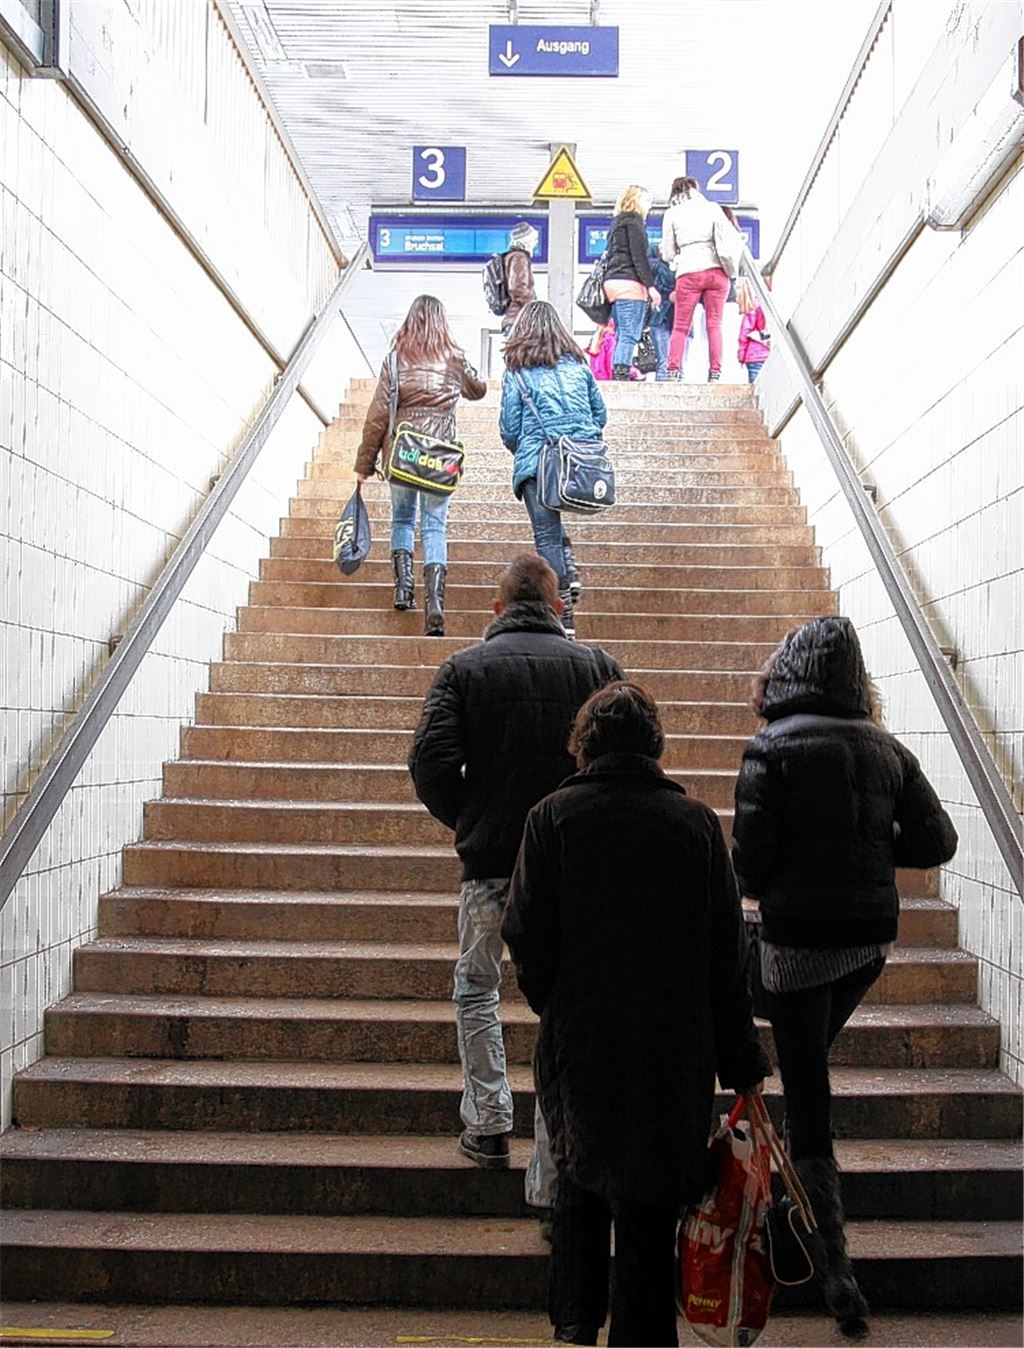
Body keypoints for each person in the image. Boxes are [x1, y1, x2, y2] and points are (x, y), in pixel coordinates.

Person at [503, 682, 769, 1347]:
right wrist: (742, 1064)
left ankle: (574, 1322)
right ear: (655, 746)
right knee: (650, 1216)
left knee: (578, 1180)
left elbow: (524, 933)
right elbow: (725, 961)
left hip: (580, 1042)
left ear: (583, 743)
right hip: (672, 1051)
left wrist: (558, 1003)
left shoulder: (552, 819)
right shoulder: (697, 826)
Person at [732, 616, 958, 1340]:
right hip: (865, 945)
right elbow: (938, 840)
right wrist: (865, 851)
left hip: (799, 947)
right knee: (805, 1072)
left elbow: (752, 868)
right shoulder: (885, 749)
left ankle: (835, 1273)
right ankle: (794, 1191)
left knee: (805, 1086)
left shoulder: (772, 747)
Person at [408, 554, 624, 1217]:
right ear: (559, 609)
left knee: (477, 987)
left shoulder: (465, 669)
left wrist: (474, 816)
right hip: (577, 869)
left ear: (496, 610)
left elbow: (431, 760)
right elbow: (627, 753)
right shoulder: (598, 669)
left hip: (492, 863)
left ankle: (488, 1121)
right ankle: (551, 1169)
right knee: (564, 1006)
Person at [355, 295, 486, 635]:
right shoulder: (454, 359)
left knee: (402, 519)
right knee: (434, 527)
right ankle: (435, 604)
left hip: (402, 451)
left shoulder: (395, 360)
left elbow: (378, 415)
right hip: (439, 457)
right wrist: (461, 363)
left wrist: (365, 462)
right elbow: (479, 389)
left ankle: (403, 589)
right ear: (443, 323)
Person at [499, 302, 606, 638]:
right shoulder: (578, 366)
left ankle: (565, 617)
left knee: (546, 536)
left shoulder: (516, 370)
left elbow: (509, 428)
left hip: (539, 459)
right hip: (581, 459)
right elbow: (599, 415)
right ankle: (570, 568)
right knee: (554, 530)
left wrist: (528, 451)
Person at [660, 176, 743, 382]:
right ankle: (715, 372)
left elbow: (668, 253)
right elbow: (728, 237)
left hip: (688, 272)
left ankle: (673, 371)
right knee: (714, 324)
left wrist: (679, 254)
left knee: (681, 326)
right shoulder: (713, 208)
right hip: (717, 271)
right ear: (697, 189)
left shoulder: (672, 213)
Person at [602, 185, 661, 379]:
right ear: (638, 201)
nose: (649, 207)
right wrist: (651, 287)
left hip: (612, 282)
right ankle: (620, 377)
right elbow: (638, 258)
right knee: (629, 335)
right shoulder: (634, 222)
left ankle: (618, 373)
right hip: (629, 283)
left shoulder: (616, 223)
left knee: (621, 334)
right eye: (647, 201)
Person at [646, 240, 677, 382]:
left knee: (665, 362)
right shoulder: (657, 266)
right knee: (669, 363)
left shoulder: (654, 265)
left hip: (662, 317)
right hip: (663, 317)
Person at [501, 221, 539, 334]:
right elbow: (517, 288)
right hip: (519, 320)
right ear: (526, 240)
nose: (535, 243)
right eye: (534, 240)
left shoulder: (512, 256)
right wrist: (534, 307)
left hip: (516, 319)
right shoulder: (519, 257)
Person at [738, 303, 771, 382]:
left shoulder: (756, 306)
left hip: (755, 356)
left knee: (757, 390)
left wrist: (741, 356)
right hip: (776, 355)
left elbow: (744, 333)